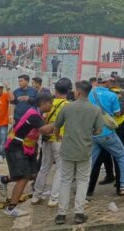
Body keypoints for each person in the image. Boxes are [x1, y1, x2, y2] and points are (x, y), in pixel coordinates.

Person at [46, 81, 103, 225]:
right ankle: (79, 213)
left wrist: (59, 136)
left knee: (65, 181)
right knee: (83, 181)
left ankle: (61, 214)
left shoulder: (67, 107)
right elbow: (98, 131)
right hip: (84, 150)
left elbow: (57, 127)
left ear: (77, 92)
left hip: (67, 150)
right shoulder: (95, 109)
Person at [0, 93, 55, 217]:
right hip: (16, 146)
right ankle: (11, 208)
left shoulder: (37, 113)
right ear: (43, 103)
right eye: (50, 103)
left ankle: (4, 179)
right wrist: (60, 120)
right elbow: (45, 130)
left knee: (32, 175)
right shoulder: (34, 115)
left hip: (28, 146)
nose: (52, 105)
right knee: (23, 177)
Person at [88, 76, 124, 196]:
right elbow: (117, 113)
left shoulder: (90, 92)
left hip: (92, 132)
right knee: (122, 155)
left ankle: (83, 187)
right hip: (106, 132)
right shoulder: (113, 95)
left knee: (91, 161)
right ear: (108, 82)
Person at [31, 78, 71, 207]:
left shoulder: (49, 102)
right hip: (60, 139)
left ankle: (36, 196)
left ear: (56, 89)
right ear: (69, 90)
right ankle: (54, 198)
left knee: (44, 168)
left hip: (47, 138)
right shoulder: (68, 105)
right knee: (60, 169)